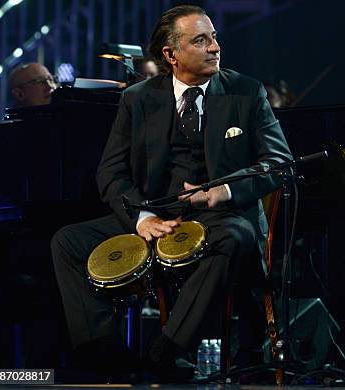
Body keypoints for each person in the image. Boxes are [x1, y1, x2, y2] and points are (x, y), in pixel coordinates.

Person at [50, 4, 292, 379]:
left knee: (233, 237)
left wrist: (222, 191)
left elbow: (279, 162)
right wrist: (142, 219)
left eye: (213, 38)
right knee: (67, 242)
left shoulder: (246, 92)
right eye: (201, 40)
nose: (214, 47)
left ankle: (168, 350)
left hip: (219, 217)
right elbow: (111, 172)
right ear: (171, 54)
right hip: (155, 215)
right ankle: (104, 357)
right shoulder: (138, 99)